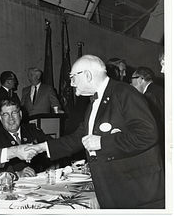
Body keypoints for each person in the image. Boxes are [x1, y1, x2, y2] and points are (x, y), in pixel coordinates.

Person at [27, 55, 165, 209]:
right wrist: (40, 148)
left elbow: (147, 134)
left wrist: (101, 142)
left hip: (137, 191)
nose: (71, 83)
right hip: (112, 188)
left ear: (87, 75)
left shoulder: (124, 92)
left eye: (73, 77)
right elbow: (79, 137)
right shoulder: (94, 102)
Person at [0, 98, 53, 178]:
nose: (11, 118)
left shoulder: (32, 130)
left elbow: (52, 144)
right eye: (6, 114)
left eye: (14, 113)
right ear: (1, 118)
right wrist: (17, 174)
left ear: (20, 114)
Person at [130, 66, 165, 165]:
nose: (130, 84)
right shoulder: (158, 89)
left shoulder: (149, 96)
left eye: (132, 79)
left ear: (140, 80)